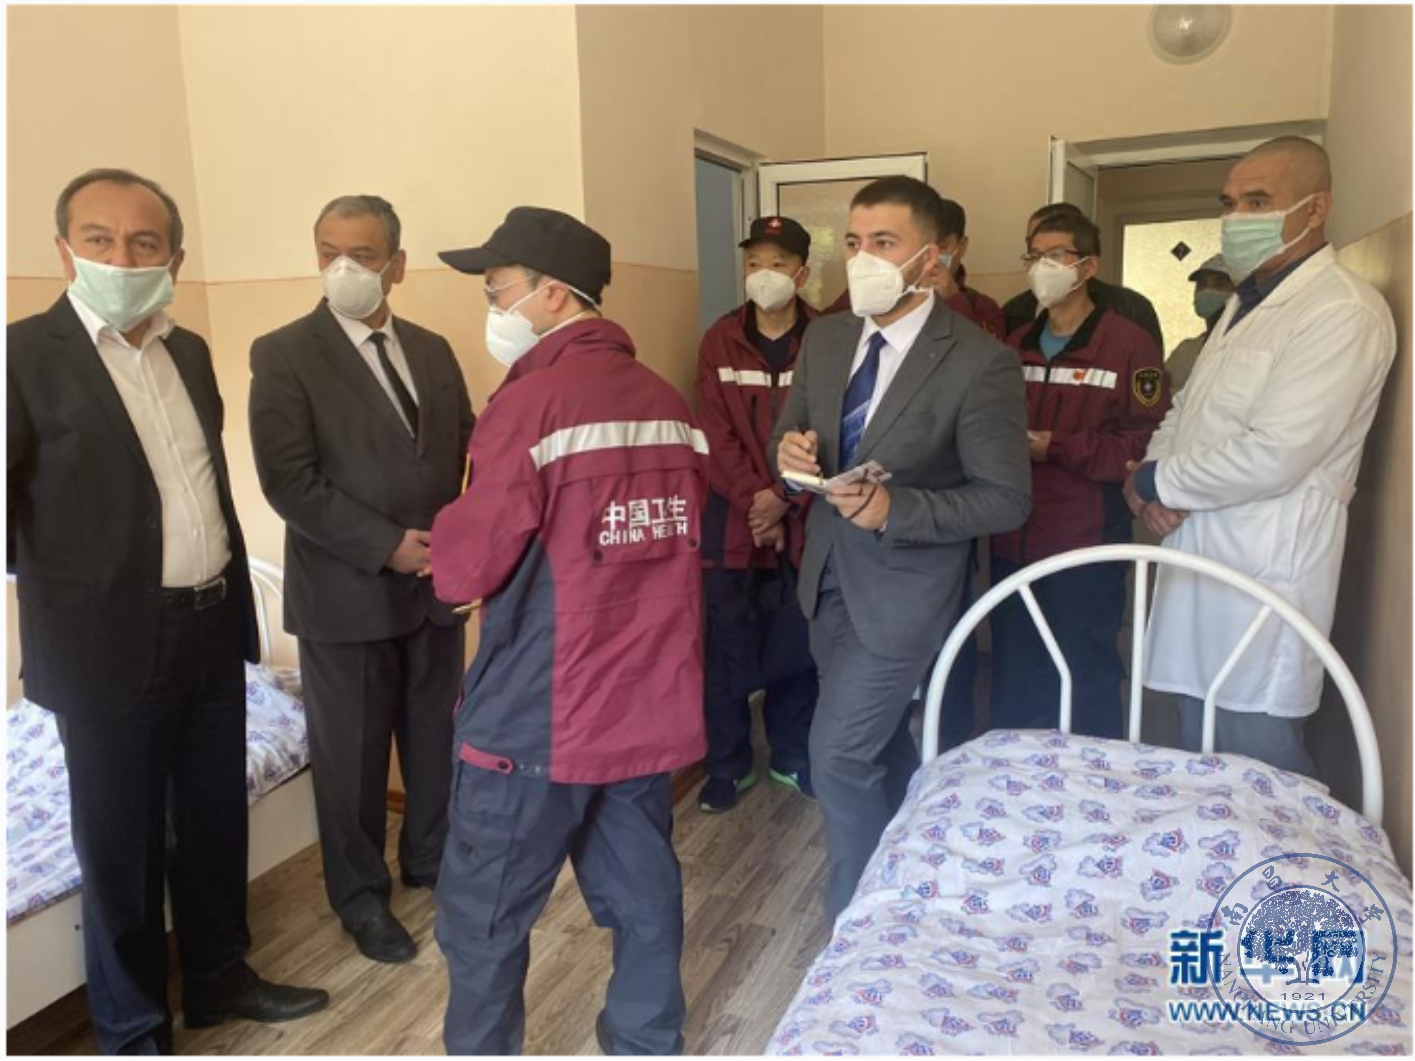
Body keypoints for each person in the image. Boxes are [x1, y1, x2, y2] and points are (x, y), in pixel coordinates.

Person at [7, 168, 328, 1054]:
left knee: (214, 817)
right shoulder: (21, 356)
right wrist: (81, 586)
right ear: (65, 251)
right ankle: (133, 1026)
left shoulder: (187, 353)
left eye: (143, 242)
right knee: (122, 844)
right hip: (104, 646)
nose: (121, 257)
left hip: (210, 623)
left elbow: (197, 482)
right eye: (99, 239)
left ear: (173, 259)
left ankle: (220, 978)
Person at [429, 207, 708, 1055]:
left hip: (537, 709)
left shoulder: (532, 403)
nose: (493, 308)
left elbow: (466, 568)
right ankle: (646, 1040)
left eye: (497, 290)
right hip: (643, 700)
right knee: (643, 898)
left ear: (552, 294)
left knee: (483, 915)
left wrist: (440, 539)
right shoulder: (664, 401)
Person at [772, 176, 1031, 922]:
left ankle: (856, 925)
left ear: (933, 255)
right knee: (878, 748)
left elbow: (1004, 498)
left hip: (905, 592)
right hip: (826, 579)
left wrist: (897, 509)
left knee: (838, 755)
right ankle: (909, 877)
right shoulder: (826, 339)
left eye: (883, 242)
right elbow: (789, 437)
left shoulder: (978, 361)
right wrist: (788, 458)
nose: (863, 259)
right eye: (854, 242)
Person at [249, 195, 475, 963]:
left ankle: (431, 858)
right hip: (345, 593)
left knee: (434, 739)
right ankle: (360, 898)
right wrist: (386, 546)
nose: (342, 267)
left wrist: (460, 542)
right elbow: (288, 480)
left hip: (435, 588)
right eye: (328, 251)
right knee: (350, 761)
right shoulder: (284, 353)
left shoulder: (432, 349)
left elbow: (465, 450)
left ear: (397, 265)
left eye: (363, 254)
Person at [1125, 137, 1396, 775]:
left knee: (1258, 754)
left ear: (1315, 209)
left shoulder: (1343, 311)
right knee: (1198, 742)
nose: (1235, 218)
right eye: (1229, 203)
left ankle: (1292, 848)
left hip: (1265, 569)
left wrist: (1158, 480)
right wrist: (1149, 486)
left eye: (1257, 202)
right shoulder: (1242, 306)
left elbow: (1277, 453)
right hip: (1198, 554)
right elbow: (1184, 410)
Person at [989, 210, 1169, 740]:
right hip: (1013, 535)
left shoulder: (1129, 345)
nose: (1041, 267)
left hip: (1085, 540)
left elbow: (1145, 443)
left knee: (1083, 669)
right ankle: (1014, 776)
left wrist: (1058, 446)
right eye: (1033, 255)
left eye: (1055, 256)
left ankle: (1095, 775)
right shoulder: (1015, 342)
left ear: (1088, 266)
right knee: (1016, 668)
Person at [695, 215, 819, 813]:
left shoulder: (828, 339)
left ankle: (792, 755)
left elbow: (834, 431)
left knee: (800, 644)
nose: (763, 274)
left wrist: (785, 498)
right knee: (725, 648)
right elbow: (714, 433)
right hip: (732, 521)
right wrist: (758, 501)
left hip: (805, 518)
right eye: (754, 263)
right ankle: (728, 765)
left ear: (803, 273)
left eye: (777, 263)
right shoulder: (720, 339)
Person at [825, 196, 1007, 339]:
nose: (931, 257)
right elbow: (826, 334)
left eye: (942, 246)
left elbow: (988, 360)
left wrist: (953, 301)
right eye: (923, 246)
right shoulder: (874, 287)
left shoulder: (982, 307)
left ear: (962, 246)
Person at [1003, 202, 1166, 350]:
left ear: (1088, 266)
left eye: (1055, 254)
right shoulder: (1014, 314)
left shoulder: (1130, 310)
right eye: (1035, 250)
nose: (1043, 264)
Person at [1166, 254, 1236, 391]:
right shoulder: (1185, 350)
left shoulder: (1247, 347)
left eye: (1219, 284)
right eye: (1201, 284)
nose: (1206, 291)